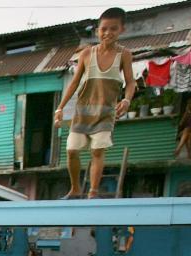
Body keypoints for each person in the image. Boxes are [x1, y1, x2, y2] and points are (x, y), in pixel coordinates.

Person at [55, 7, 134, 199]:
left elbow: (131, 82)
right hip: (83, 111)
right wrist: (60, 107)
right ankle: (75, 188)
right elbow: (74, 82)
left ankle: (93, 191)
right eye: (103, 29)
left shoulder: (124, 55)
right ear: (97, 30)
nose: (107, 33)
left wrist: (126, 100)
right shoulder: (87, 54)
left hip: (106, 111)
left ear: (121, 30)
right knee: (72, 150)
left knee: (97, 151)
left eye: (113, 29)